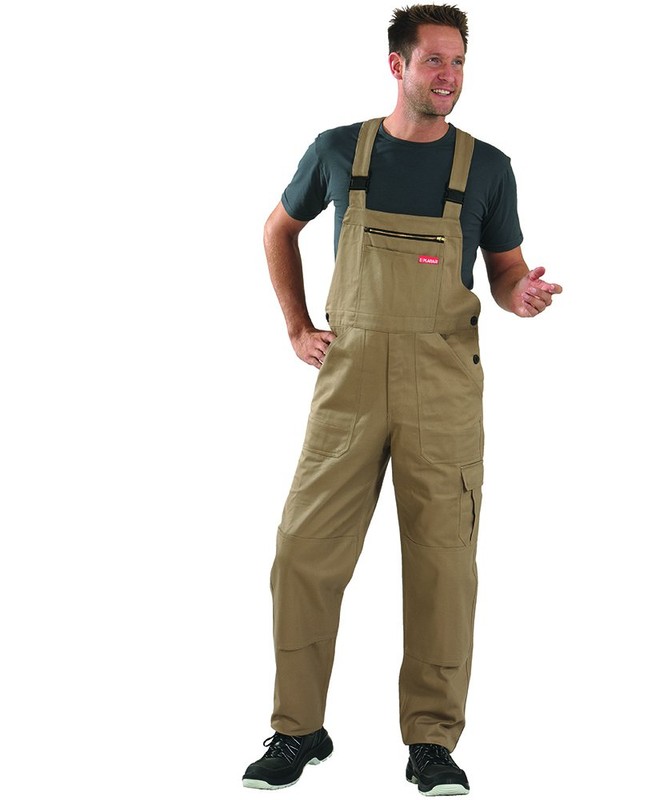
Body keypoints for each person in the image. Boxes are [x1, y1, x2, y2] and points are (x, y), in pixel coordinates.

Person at [243, 3, 562, 795]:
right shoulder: (337, 151)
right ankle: (298, 729)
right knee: (302, 554)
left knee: (443, 568)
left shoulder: (487, 168)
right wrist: (297, 327)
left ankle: (431, 743)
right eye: (433, 61)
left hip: (442, 390)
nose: (448, 76)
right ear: (398, 65)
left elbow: (505, 272)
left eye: (458, 62)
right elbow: (277, 229)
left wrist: (522, 296)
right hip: (348, 386)